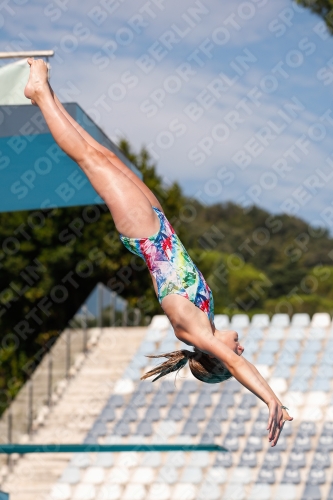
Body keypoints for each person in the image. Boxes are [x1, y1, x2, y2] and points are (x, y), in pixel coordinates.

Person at [24, 58, 292, 446]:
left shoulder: (198, 332)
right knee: (107, 157)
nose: (241, 347)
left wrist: (271, 398)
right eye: (237, 351)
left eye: (233, 353)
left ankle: (39, 93)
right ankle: (46, 100)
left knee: (90, 159)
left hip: (146, 235)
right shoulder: (206, 322)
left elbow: (236, 364)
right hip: (159, 226)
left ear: (216, 357)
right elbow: (230, 356)